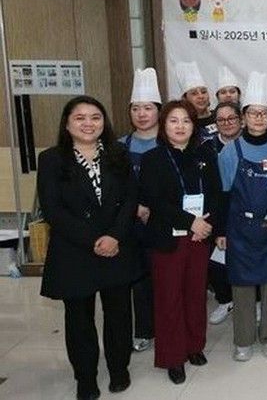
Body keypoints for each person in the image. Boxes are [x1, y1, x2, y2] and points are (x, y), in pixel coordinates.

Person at [39, 95, 138, 399]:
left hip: (116, 247)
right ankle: (86, 377)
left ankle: (119, 370)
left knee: (119, 313)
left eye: (95, 117)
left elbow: (130, 201)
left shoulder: (118, 153)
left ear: (103, 122)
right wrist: (93, 240)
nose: (88, 123)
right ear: (67, 124)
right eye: (80, 117)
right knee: (79, 318)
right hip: (75, 251)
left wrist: (114, 237)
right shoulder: (52, 159)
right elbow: (53, 209)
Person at [140, 100, 222, 384]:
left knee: (195, 294)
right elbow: (156, 201)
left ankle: (194, 346)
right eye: (173, 121)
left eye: (186, 121)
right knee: (169, 299)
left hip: (199, 238)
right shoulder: (153, 159)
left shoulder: (205, 154)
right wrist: (191, 222)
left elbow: (215, 193)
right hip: (168, 239)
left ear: (193, 126)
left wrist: (207, 225)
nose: (180, 126)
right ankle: (173, 357)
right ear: (163, 125)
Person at [218, 72, 267, 361]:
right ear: (243, 117)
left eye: (263, 113)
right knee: (242, 285)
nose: (258, 118)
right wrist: (221, 230)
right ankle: (243, 339)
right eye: (252, 113)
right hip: (240, 227)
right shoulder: (230, 151)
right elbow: (222, 194)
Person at [120, 69, 161, 354]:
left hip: (165, 222)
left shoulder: (170, 142)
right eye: (136, 108)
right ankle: (144, 330)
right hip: (131, 224)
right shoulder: (120, 147)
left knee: (168, 279)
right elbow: (114, 189)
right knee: (139, 280)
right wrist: (135, 207)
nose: (142, 114)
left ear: (158, 111)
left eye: (147, 108)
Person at [204, 101, 242, 325]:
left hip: (245, 209)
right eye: (221, 120)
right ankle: (225, 299)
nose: (226, 123)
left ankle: (253, 301)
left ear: (241, 120)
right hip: (217, 210)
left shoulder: (250, 145)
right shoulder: (206, 148)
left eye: (231, 118)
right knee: (217, 261)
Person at [175, 61, 217, 143]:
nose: (201, 96)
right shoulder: (182, 124)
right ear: (185, 99)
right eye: (194, 93)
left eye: (204, 92)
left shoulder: (219, 117)